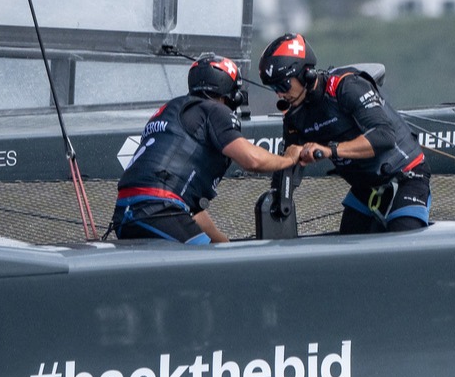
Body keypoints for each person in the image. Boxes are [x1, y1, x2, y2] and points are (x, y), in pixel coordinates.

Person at [113, 54, 302, 243]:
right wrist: (289, 159)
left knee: (211, 254)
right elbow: (252, 159)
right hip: (159, 209)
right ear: (233, 94)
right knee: (219, 270)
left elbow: (190, 209)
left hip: (125, 213)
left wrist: (222, 243)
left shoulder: (171, 111)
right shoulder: (215, 110)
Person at [258, 32, 431, 234]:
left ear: (306, 74)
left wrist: (330, 150)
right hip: (366, 188)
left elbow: (384, 137)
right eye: (273, 88)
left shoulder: (347, 87)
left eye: (283, 84)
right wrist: (279, 198)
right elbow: (288, 166)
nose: (280, 93)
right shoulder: (294, 115)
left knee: (402, 242)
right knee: (347, 250)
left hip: (406, 176)